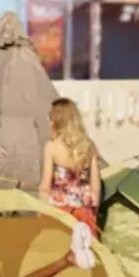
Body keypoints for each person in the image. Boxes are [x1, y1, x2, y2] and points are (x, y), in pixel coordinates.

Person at [40, 98, 100, 230]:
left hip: (59, 212)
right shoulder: (89, 146)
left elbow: (45, 186)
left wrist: (41, 210)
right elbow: (95, 186)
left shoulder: (51, 146)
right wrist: (93, 211)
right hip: (84, 212)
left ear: (56, 121)